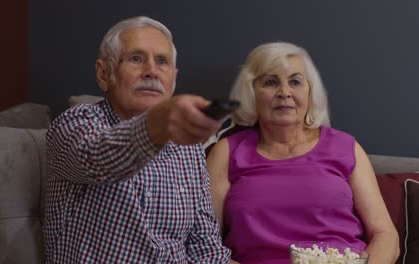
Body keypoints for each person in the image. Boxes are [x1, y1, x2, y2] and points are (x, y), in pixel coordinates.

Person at [43, 16, 233, 263]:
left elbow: (206, 248)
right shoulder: (76, 124)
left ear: (173, 79)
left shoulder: (189, 149)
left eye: (162, 61)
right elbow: (99, 158)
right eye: (136, 59)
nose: (151, 71)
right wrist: (159, 122)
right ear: (103, 74)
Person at [206, 42, 400, 264]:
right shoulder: (227, 151)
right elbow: (204, 243)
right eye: (271, 82)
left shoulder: (346, 147)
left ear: (310, 92)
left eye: (295, 82)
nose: (284, 92)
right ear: (251, 92)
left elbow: (385, 235)